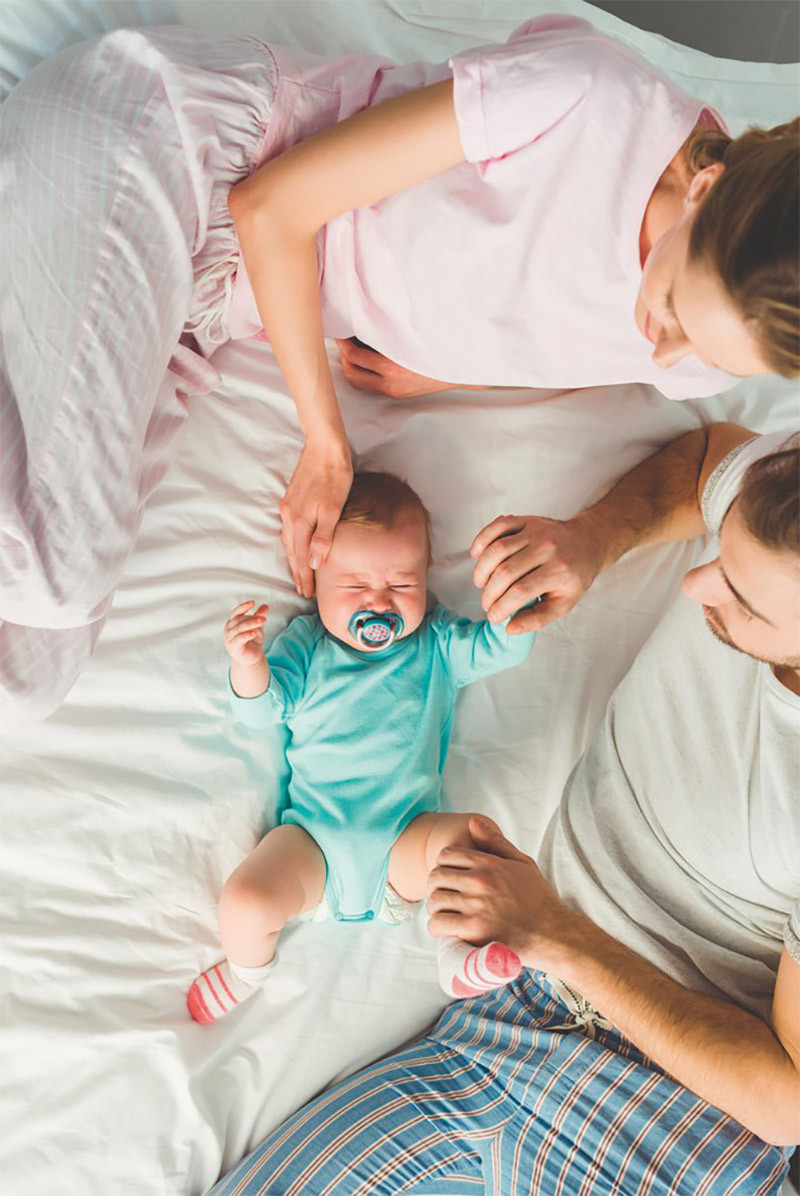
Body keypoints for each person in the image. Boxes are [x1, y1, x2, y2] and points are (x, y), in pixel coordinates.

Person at [1, 18, 798, 726]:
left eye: (699, 354)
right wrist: (326, 443)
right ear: (704, 189)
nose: (661, 350)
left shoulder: (711, 347)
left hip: (201, 307)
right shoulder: (590, 99)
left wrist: (452, 370)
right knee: (56, 574)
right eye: (672, 308)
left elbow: (580, 338)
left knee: (30, 674)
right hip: (179, 161)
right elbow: (269, 208)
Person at [210, 424, 799, 1195]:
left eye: (741, 598)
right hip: (502, 1012)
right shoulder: (784, 492)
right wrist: (594, 538)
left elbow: (787, 1105)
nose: (695, 585)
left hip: (667, 1112)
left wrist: (557, 933)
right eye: (721, 551)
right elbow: (711, 459)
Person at [188, 471, 536, 1024]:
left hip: (407, 845)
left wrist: (517, 602)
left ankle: (453, 953)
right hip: (311, 844)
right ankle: (246, 971)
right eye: (355, 587)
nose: (379, 601)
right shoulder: (308, 646)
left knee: (471, 840)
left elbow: (501, 648)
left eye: (401, 584)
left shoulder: (436, 644)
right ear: (316, 580)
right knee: (246, 902)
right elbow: (260, 710)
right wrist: (249, 663)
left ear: (426, 578)